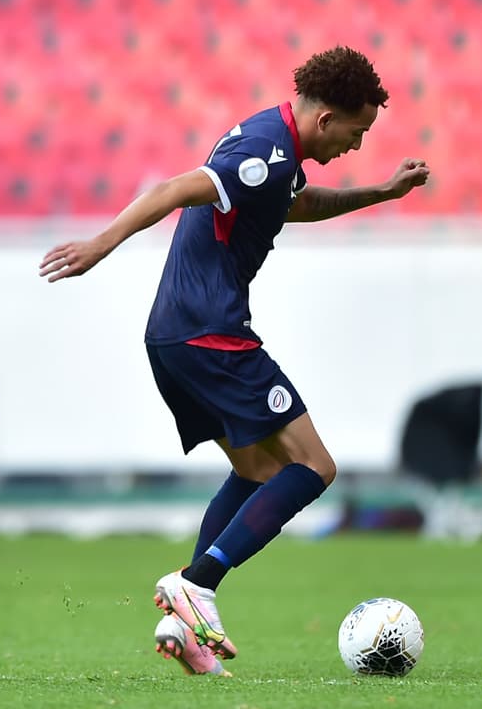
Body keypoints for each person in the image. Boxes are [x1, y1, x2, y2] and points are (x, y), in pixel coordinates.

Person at [39, 46, 430, 676]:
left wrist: (379, 193)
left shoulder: (274, 146)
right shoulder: (264, 153)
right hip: (210, 334)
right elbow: (173, 189)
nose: (355, 147)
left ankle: (186, 620)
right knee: (314, 466)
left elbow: (298, 206)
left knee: (255, 468)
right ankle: (198, 586)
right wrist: (100, 246)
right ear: (326, 119)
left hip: (174, 337)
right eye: (357, 134)